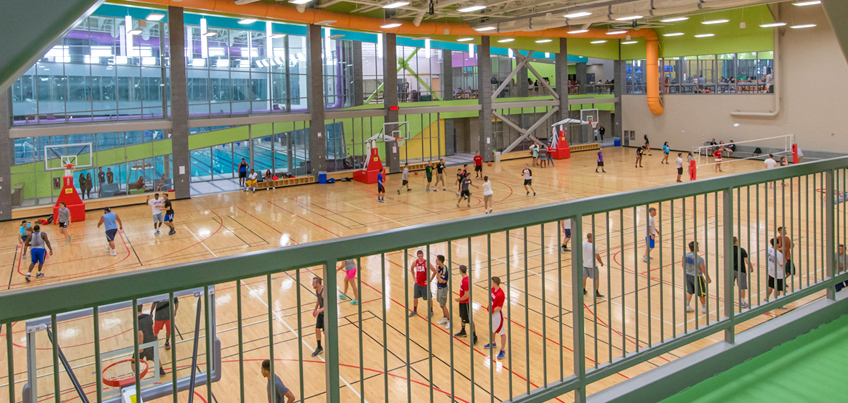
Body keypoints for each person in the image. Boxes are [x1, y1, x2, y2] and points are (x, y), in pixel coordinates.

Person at [136, 304, 167, 376]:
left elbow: (140, 334)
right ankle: (161, 371)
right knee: (154, 356)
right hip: (152, 339)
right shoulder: (148, 316)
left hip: (144, 343)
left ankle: (136, 377)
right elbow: (152, 327)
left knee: (134, 360)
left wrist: (140, 346)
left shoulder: (137, 320)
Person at [453, 265, 478, 344]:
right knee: (462, 317)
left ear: (460, 271)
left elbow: (467, 295)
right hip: (462, 302)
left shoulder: (466, 281)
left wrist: (459, 299)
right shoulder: (464, 279)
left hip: (466, 303)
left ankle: (474, 336)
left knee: (469, 319)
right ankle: (463, 331)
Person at [408, 250, 437, 318]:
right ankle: (415, 311)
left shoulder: (426, 263)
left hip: (425, 285)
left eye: (421, 256)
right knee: (415, 297)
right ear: (417, 256)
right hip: (418, 284)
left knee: (429, 298)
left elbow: (435, 271)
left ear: (423, 255)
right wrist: (414, 278)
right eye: (419, 256)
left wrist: (430, 280)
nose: (420, 257)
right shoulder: (415, 262)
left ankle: (431, 312)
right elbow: (411, 269)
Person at [683, 241, 710, 314]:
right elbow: (703, 269)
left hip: (688, 275)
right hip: (697, 277)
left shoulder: (685, 255)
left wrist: (688, 271)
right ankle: (704, 308)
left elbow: (683, 265)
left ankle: (687, 306)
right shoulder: (699, 259)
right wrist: (708, 278)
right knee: (701, 293)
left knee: (689, 291)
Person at [484, 276, 507, 360]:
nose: (490, 283)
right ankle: (493, 343)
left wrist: (492, 310)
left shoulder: (501, 294)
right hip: (492, 312)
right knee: (491, 327)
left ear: (495, 283)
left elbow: (499, 307)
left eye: (491, 282)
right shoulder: (492, 289)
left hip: (498, 314)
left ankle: (502, 349)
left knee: (501, 332)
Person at [732, 237, 753, 309]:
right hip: (741, 271)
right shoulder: (741, 250)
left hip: (731, 270)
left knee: (730, 286)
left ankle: (729, 300)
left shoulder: (728, 250)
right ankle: (742, 303)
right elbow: (747, 261)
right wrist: (751, 267)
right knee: (742, 287)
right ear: (736, 242)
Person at [582, 233, 605, 298]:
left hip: (585, 264)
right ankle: (596, 292)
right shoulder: (594, 247)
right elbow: (597, 256)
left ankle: (583, 290)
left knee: (584, 277)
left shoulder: (583, 244)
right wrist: (601, 262)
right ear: (590, 238)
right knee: (596, 278)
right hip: (592, 265)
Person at [766, 238, 786, 308]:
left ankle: (766, 298)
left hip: (771, 271)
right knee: (777, 289)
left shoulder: (769, 249)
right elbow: (782, 264)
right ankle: (778, 304)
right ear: (777, 244)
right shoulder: (779, 254)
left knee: (771, 285)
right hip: (778, 273)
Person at [434, 255, 451, 329]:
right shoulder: (440, 268)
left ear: (440, 261)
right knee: (441, 304)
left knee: (443, 305)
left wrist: (437, 272)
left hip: (443, 289)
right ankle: (444, 318)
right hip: (439, 287)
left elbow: (440, 279)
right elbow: (437, 278)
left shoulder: (444, 270)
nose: (436, 261)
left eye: (436, 260)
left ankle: (449, 321)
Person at [311, 277, 326, 357]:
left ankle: (330, 347)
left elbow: (327, 306)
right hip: (321, 313)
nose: (312, 284)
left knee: (325, 332)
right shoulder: (317, 291)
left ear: (318, 283)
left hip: (326, 314)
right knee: (317, 329)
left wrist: (318, 311)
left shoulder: (324, 292)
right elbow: (318, 299)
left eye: (313, 283)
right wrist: (315, 309)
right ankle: (319, 347)